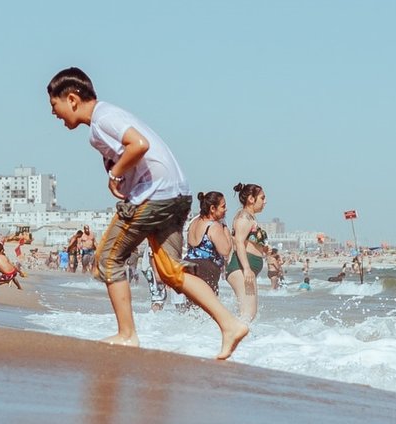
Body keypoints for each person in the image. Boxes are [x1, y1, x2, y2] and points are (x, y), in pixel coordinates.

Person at [47, 67, 247, 358]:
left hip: (156, 196)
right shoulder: (104, 122)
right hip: (177, 195)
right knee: (169, 272)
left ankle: (127, 335)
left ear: (73, 99)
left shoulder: (103, 117)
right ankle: (230, 324)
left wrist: (115, 174)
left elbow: (139, 145)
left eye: (55, 105)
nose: (54, 113)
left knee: (107, 259)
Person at [224, 183, 269, 321]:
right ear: (251, 199)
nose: (265, 201)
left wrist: (263, 248)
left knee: (249, 314)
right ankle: (232, 338)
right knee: (247, 314)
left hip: (244, 269)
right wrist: (247, 268)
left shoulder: (250, 218)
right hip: (241, 268)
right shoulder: (244, 217)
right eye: (262, 198)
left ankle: (242, 340)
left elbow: (247, 242)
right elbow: (238, 242)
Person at [183, 191, 230, 296]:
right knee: (209, 306)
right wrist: (225, 227)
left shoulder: (194, 223)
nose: (226, 209)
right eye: (223, 206)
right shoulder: (214, 226)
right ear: (212, 208)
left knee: (191, 306)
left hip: (188, 266)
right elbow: (226, 250)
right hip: (206, 269)